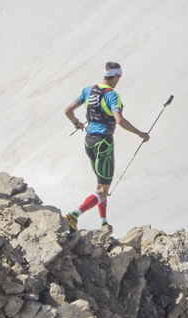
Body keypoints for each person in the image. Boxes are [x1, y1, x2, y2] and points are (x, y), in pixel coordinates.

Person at [61, 61, 148, 233]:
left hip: (89, 141)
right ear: (116, 76)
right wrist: (140, 134)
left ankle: (104, 223)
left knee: (101, 186)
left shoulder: (88, 90)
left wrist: (77, 123)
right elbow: (119, 120)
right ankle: (73, 215)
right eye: (119, 77)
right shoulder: (112, 95)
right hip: (104, 143)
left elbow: (68, 110)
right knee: (102, 190)